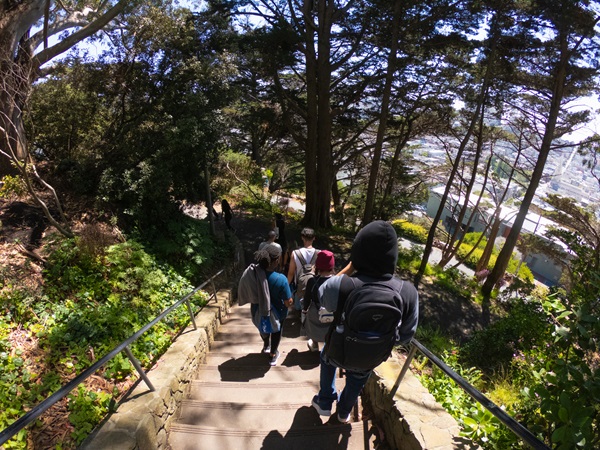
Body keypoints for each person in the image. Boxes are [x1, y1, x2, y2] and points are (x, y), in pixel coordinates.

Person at [311, 220, 419, 423]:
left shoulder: (342, 285)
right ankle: (344, 412)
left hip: (339, 349)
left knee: (327, 357)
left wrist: (352, 267)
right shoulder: (407, 292)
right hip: (371, 356)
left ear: (358, 251)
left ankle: (325, 401)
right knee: (359, 377)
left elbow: (320, 295)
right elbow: (406, 336)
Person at [238, 244, 293, 366]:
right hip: (278, 312)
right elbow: (287, 302)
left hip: (257, 310)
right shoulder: (281, 279)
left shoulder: (252, 273)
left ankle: (266, 345)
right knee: (276, 330)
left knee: (263, 326)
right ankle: (273, 354)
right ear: (277, 260)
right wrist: (291, 301)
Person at [301, 250, 336, 352]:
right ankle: (328, 345)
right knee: (330, 329)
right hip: (332, 312)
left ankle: (315, 344)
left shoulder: (312, 281)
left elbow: (307, 298)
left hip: (315, 312)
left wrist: (304, 310)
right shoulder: (336, 281)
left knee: (312, 327)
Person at [287, 227, 319, 313]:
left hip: (300, 288)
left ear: (302, 238)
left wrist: (286, 287)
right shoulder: (319, 253)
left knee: (299, 311)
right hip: (314, 287)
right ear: (314, 238)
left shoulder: (295, 253)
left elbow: (291, 273)